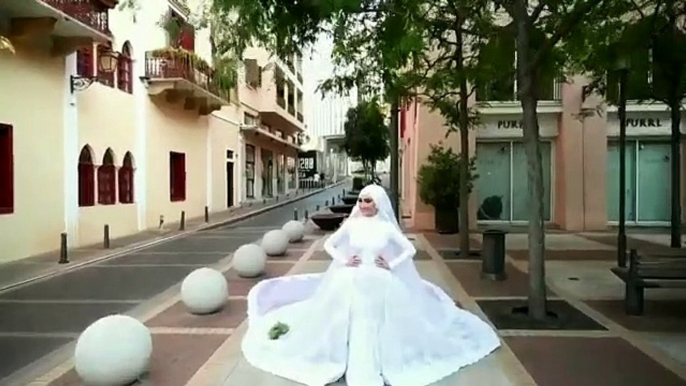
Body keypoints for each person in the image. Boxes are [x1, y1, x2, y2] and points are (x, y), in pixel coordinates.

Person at [242, 184, 500, 386]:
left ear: (378, 204)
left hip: (379, 281)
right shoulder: (352, 224)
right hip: (351, 279)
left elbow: (409, 249)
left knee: (379, 321)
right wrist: (344, 259)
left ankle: (378, 360)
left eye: (369, 200)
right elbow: (329, 244)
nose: (364, 204)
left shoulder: (386, 229)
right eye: (361, 200)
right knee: (344, 317)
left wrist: (392, 263)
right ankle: (345, 357)